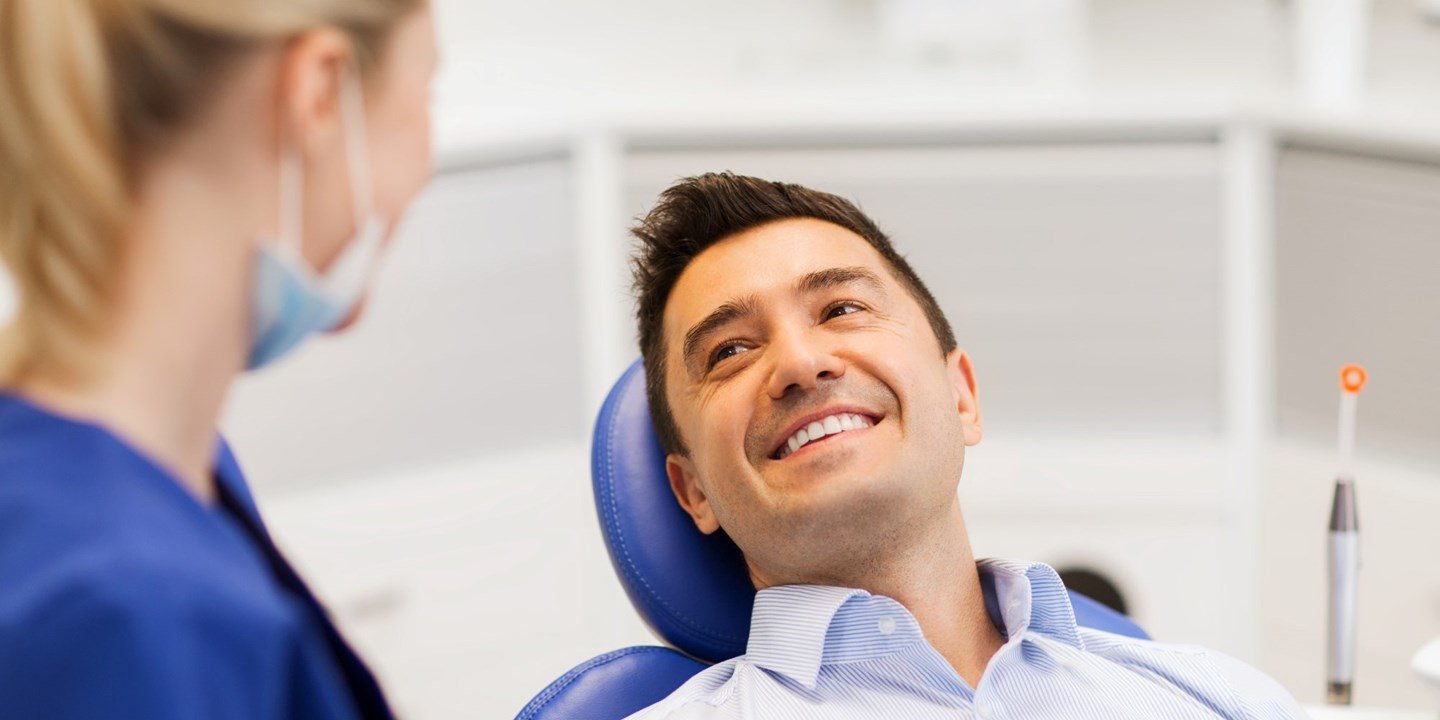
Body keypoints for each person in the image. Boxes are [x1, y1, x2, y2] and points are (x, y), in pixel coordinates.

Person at [622, 173, 1308, 719]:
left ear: (962, 397)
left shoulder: (1218, 695)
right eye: (730, 351)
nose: (801, 363)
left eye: (841, 309)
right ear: (693, 490)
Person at [0, 0, 436, 717]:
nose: (427, 161)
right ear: (320, 94)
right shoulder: (128, 610)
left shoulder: (157, 479)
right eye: (427, 90)